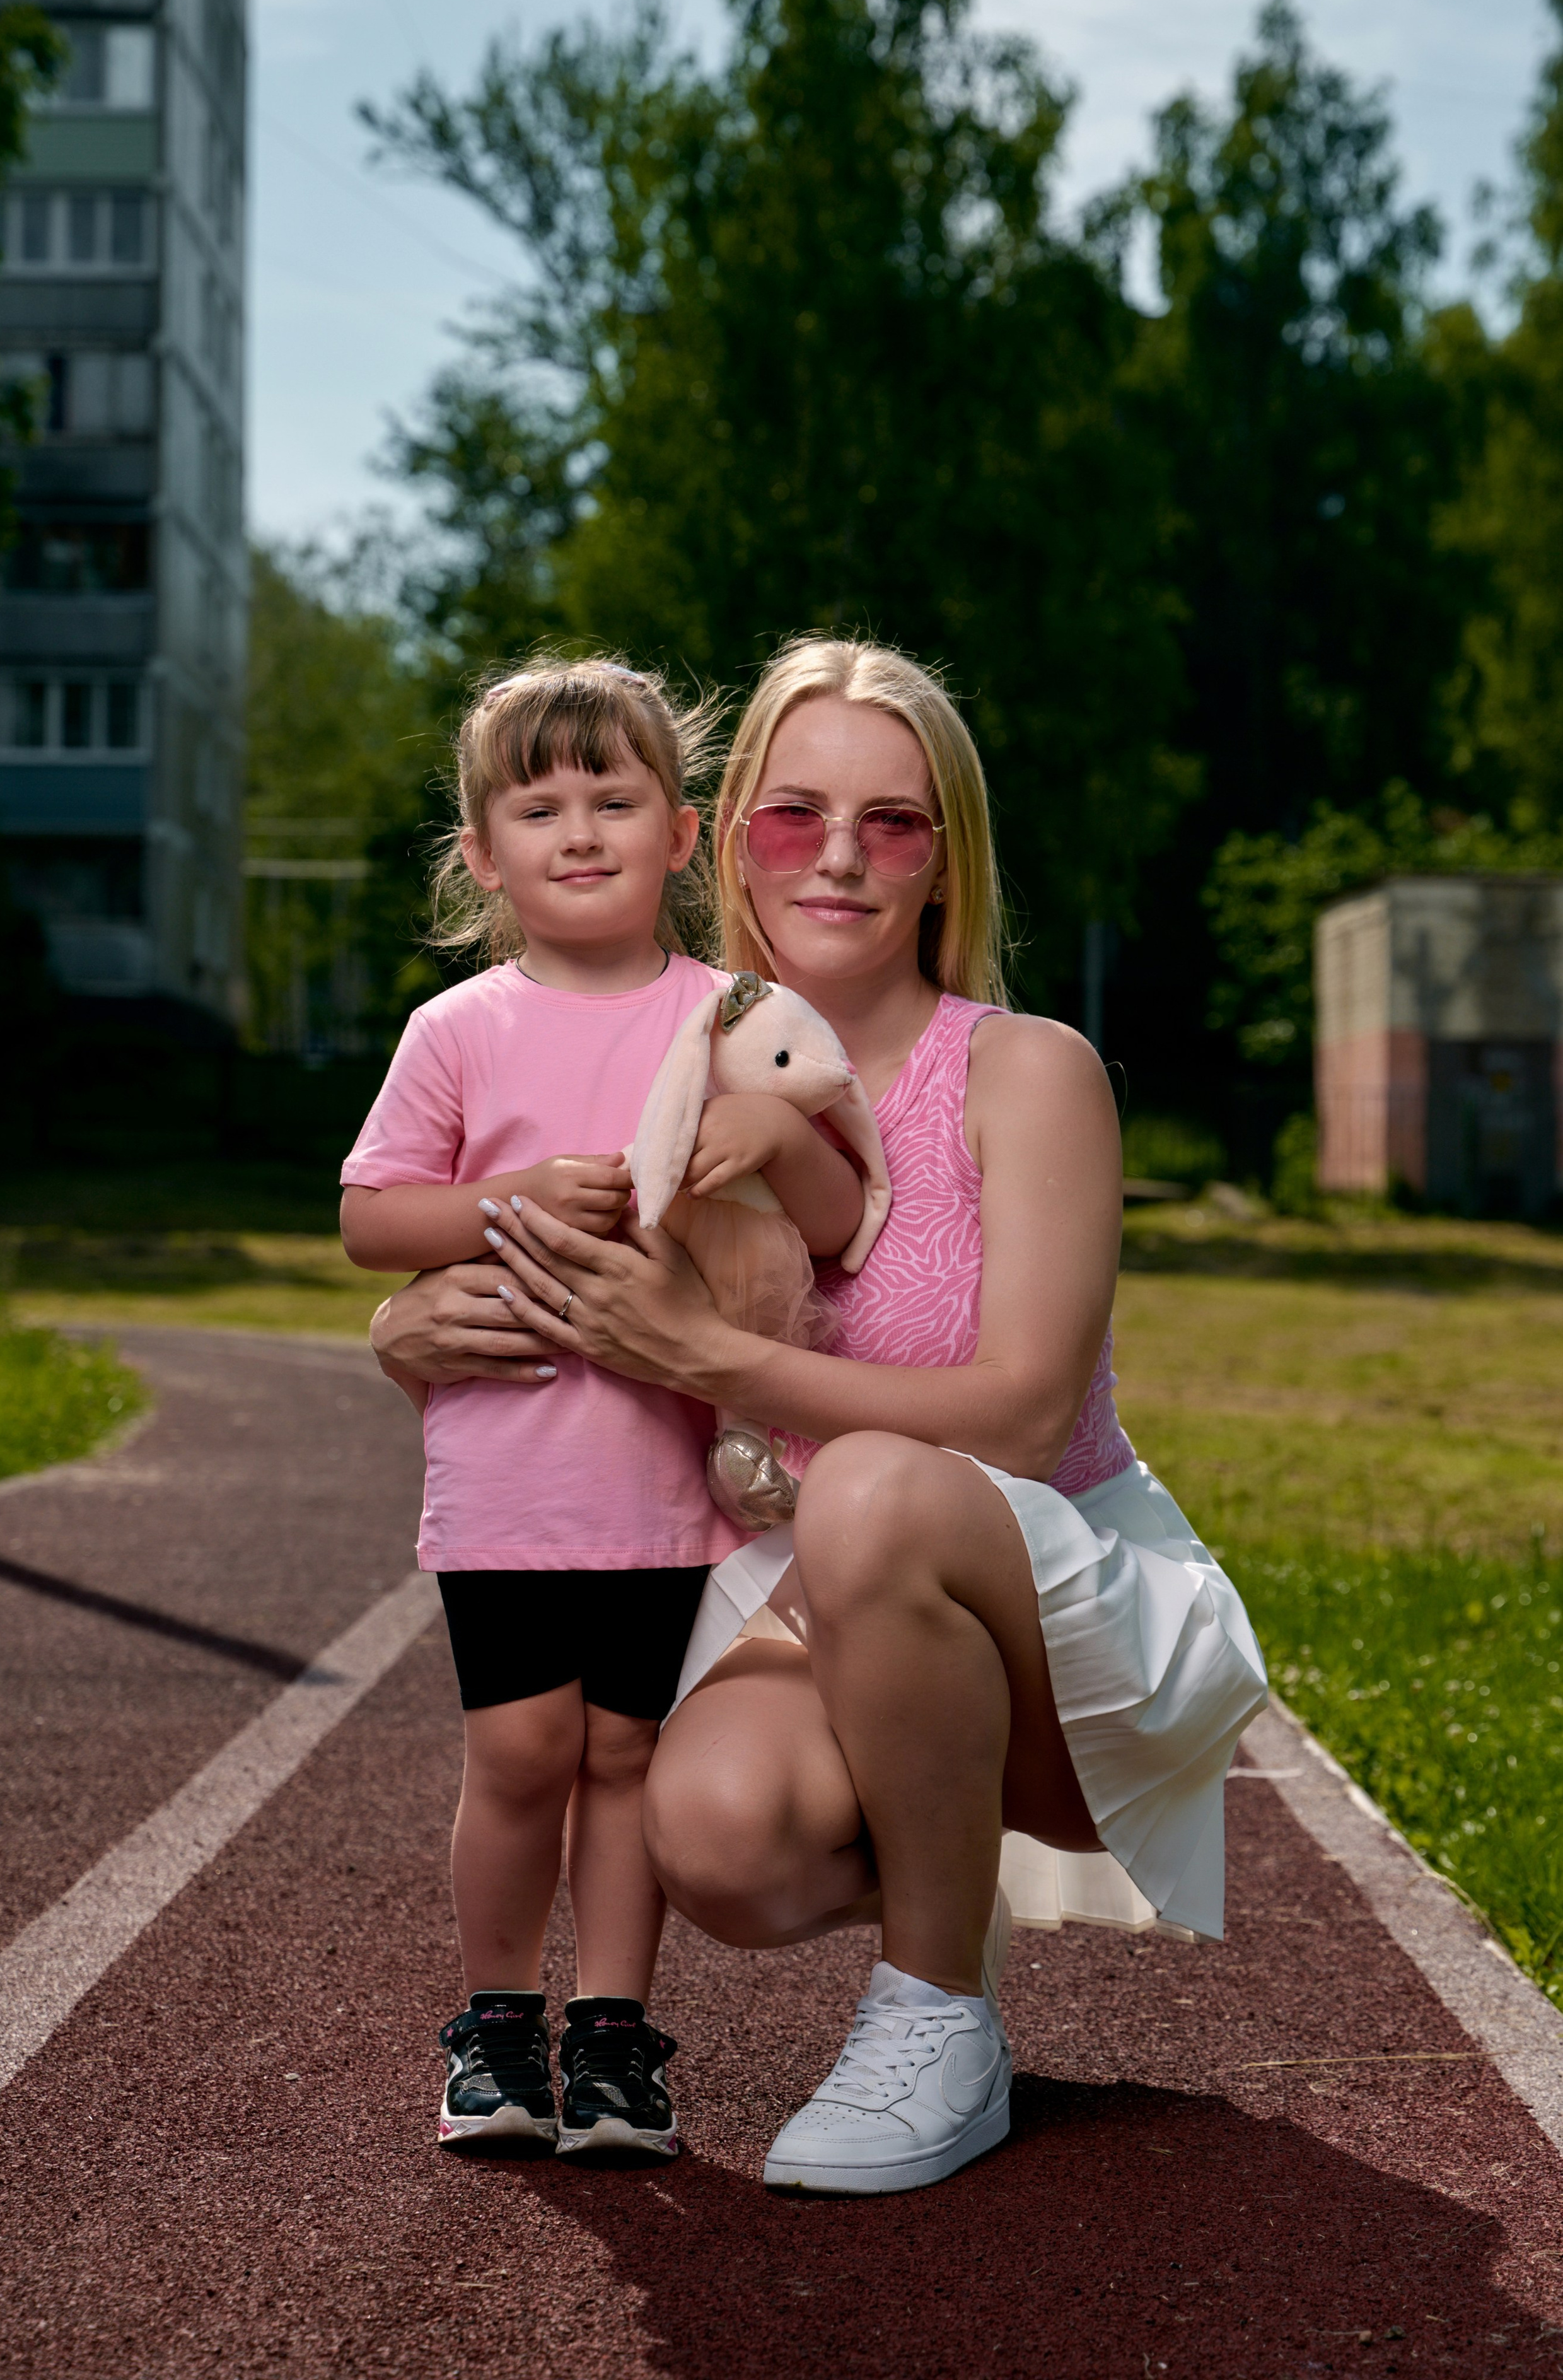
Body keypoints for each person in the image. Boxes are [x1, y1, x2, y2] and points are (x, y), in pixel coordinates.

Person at [369, 636, 1269, 2197]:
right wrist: (409, 1329)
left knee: (864, 1485)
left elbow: (1019, 1410)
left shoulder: (1027, 1069)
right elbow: (507, 1231)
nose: (840, 856)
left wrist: (709, 1353)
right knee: (705, 1824)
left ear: (943, 863)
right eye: (794, 815)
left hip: (1067, 1618)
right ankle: (934, 1872)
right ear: (730, 842)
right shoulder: (655, 1049)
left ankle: (938, 2014)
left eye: (893, 823)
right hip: (811, 1601)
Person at [341, 656, 864, 2159]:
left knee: (626, 1756)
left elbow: (833, 1210)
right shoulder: (457, 1030)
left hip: (663, 1481)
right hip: (506, 1474)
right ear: (481, 854)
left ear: (681, 834)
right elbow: (373, 1221)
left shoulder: (724, 1016)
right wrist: (495, 1200)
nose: (579, 829)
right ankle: (497, 2024)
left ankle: (614, 2038)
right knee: (519, 1752)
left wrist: (770, 1121)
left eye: (613, 797)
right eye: (538, 803)